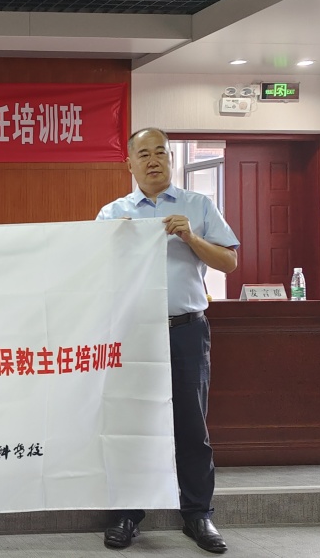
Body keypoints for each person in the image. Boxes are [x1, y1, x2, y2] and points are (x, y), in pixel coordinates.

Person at [96, 128, 239, 554]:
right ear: (129, 163)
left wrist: (191, 238)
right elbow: (92, 272)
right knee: (131, 425)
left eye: (161, 152)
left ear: (171, 160)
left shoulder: (199, 205)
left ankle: (198, 515)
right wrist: (112, 244)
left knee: (192, 426)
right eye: (144, 154)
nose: (153, 160)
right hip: (133, 332)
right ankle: (126, 514)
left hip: (187, 330)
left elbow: (229, 262)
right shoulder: (113, 213)